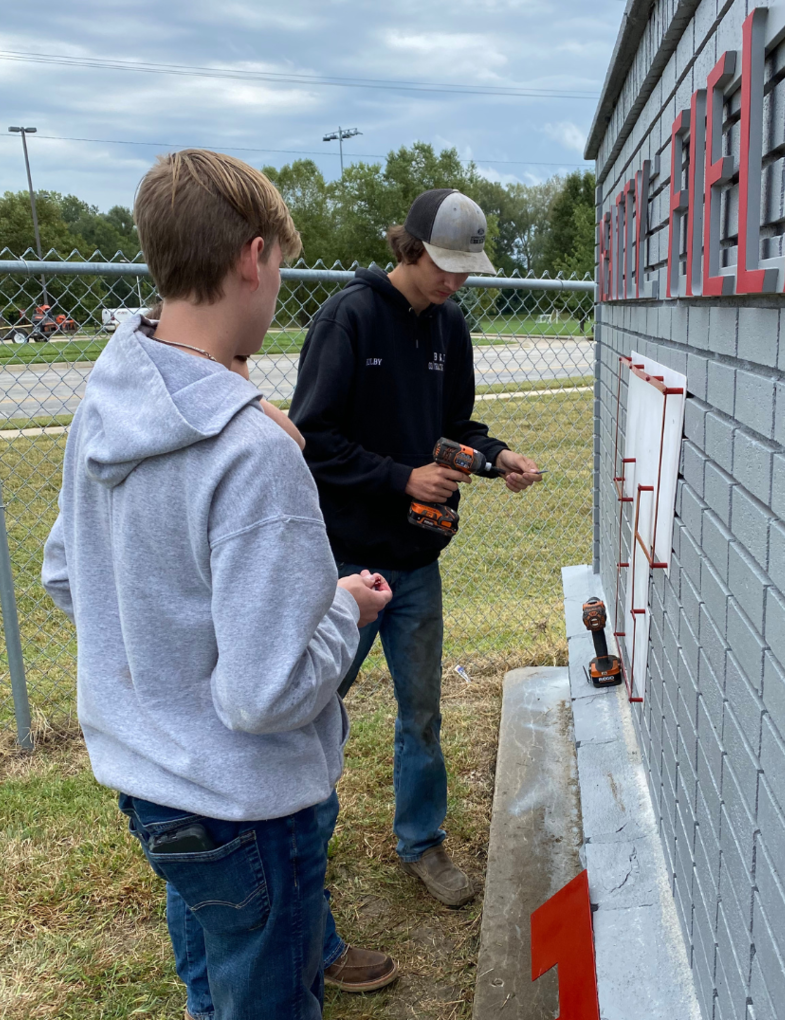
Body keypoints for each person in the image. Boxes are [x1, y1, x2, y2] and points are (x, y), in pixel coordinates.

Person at [41, 149, 393, 1020]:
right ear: (253, 256)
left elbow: (64, 572)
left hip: (152, 788)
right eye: (280, 267)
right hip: (248, 809)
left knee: (212, 985)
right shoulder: (251, 451)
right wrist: (344, 611)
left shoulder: (106, 401)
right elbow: (265, 694)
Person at [289, 188, 543, 988]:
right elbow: (312, 438)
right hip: (346, 564)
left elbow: (456, 426)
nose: (456, 283)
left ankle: (422, 842)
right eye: (446, 267)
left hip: (417, 559)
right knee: (314, 714)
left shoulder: (450, 327)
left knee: (421, 708)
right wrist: (404, 477)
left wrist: (495, 456)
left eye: (467, 271)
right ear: (409, 249)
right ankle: (301, 857)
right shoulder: (348, 319)